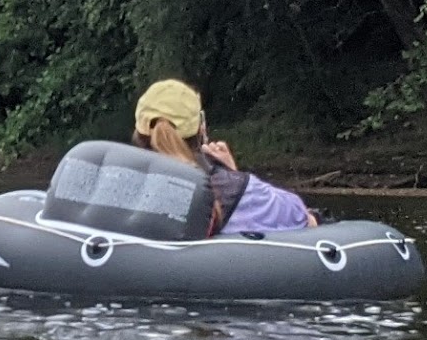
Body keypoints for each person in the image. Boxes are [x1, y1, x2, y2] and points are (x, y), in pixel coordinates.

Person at [132, 77, 316, 232]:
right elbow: (307, 221)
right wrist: (233, 178)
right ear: (201, 129)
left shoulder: (119, 185)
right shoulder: (235, 189)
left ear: (139, 133)